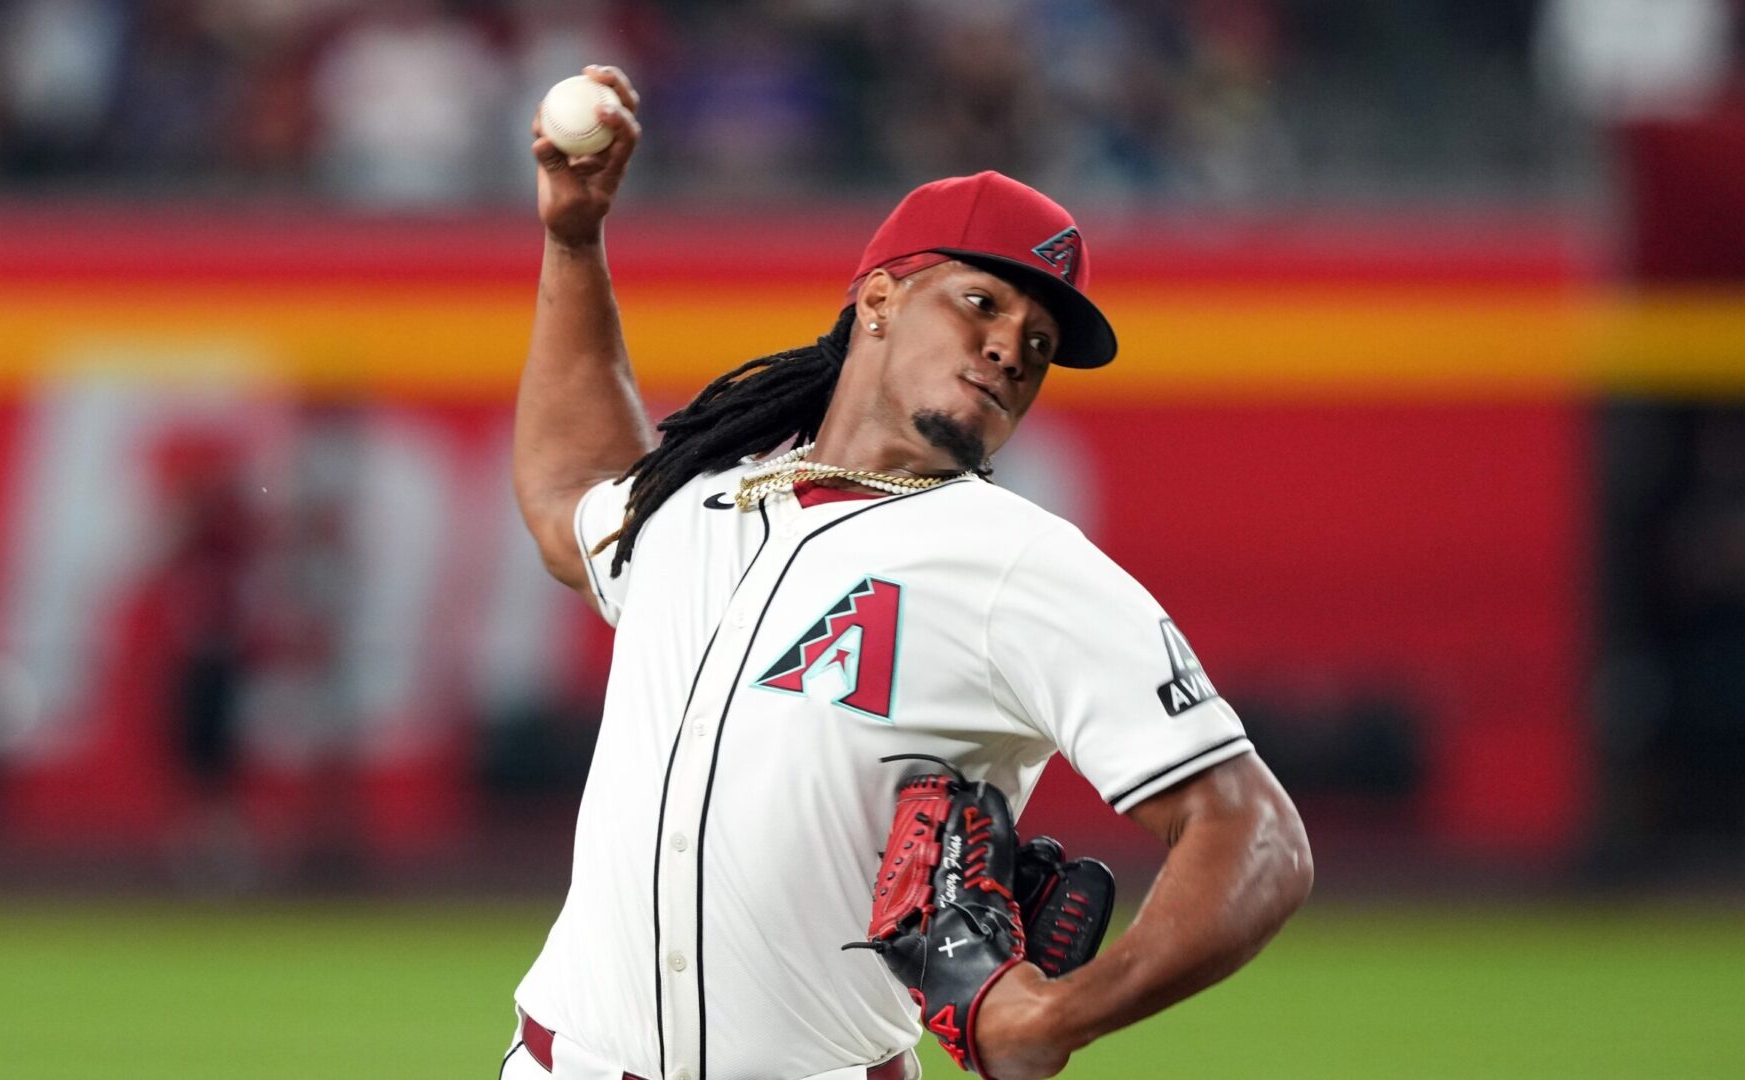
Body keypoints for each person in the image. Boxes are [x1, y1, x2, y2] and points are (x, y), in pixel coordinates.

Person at [506, 65, 1313, 1080]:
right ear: (880, 297)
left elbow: (1253, 832)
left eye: (1038, 341)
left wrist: (1064, 1014)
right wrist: (573, 242)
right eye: (981, 303)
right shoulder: (703, 501)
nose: (1011, 347)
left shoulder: (1020, 564)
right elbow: (570, 495)